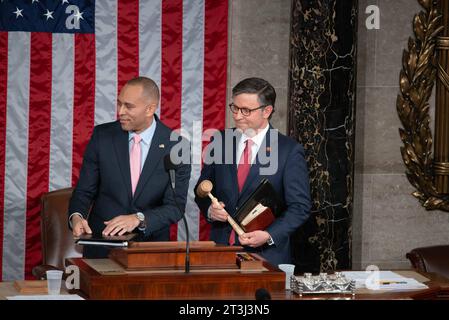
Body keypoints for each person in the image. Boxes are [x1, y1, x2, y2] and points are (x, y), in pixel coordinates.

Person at [68, 76, 191, 258]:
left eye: (129, 106)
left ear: (150, 109)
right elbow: (84, 190)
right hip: (102, 248)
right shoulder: (102, 136)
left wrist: (138, 218)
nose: (121, 111)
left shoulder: (176, 147)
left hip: (150, 251)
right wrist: (76, 216)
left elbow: (175, 207)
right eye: (119, 104)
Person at [194, 77, 311, 266]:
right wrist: (210, 210)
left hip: (266, 256)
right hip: (220, 253)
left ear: (267, 111)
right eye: (235, 108)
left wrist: (269, 235)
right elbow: (202, 190)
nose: (238, 116)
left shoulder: (288, 151)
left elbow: (300, 207)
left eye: (246, 110)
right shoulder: (221, 140)